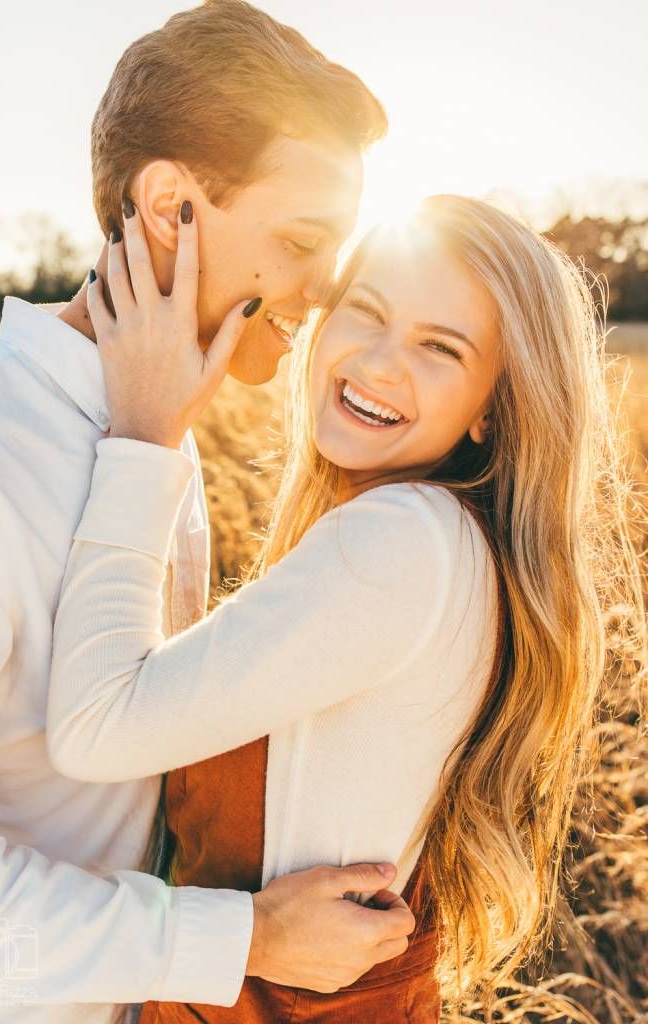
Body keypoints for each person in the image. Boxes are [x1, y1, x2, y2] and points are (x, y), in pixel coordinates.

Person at [0, 4, 419, 1023]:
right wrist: (247, 940)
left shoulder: (155, 433)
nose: (325, 290)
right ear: (170, 208)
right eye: (301, 240)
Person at [46, 194, 645, 1023]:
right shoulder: (455, 543)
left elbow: (94, 727)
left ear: (490, 412)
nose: (380, 361)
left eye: (441, 347)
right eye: (367, 309)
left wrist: (144, 434)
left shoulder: (400, 542)